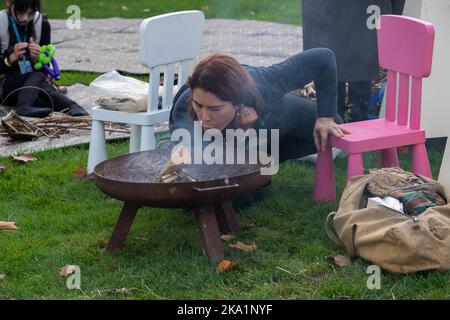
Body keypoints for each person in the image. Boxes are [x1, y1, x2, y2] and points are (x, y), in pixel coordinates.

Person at [169, 49, 349, 163]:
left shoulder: (265, 82)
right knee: (230, 191)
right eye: (199, 105)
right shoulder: (183, 114)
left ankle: (263, 161)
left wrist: (325, 117)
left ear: (238, 102)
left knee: (332, 127)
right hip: (213, 145)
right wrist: (242, 134)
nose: (205, 116)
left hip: (265, 115)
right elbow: (210, 168)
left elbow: (323, 58)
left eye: (215, 108)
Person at [302, 0, 406, 122]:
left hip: (366, 14)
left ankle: (354, 120)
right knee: (334, 61)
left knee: (361, 61)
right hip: (333, 16)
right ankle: (336, 119)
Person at [0, 0, 88, 117]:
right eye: (20, 12)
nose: (25, 18)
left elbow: (44, 69)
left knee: (41, 84)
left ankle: (73, 108)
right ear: (9, 3)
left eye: (30, 13)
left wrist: (37, 59)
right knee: (38, 78)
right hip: (5, 86)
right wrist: (10, 59)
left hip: (30, 86)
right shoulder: (2, 24)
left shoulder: (41, 25)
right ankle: (24, 107)